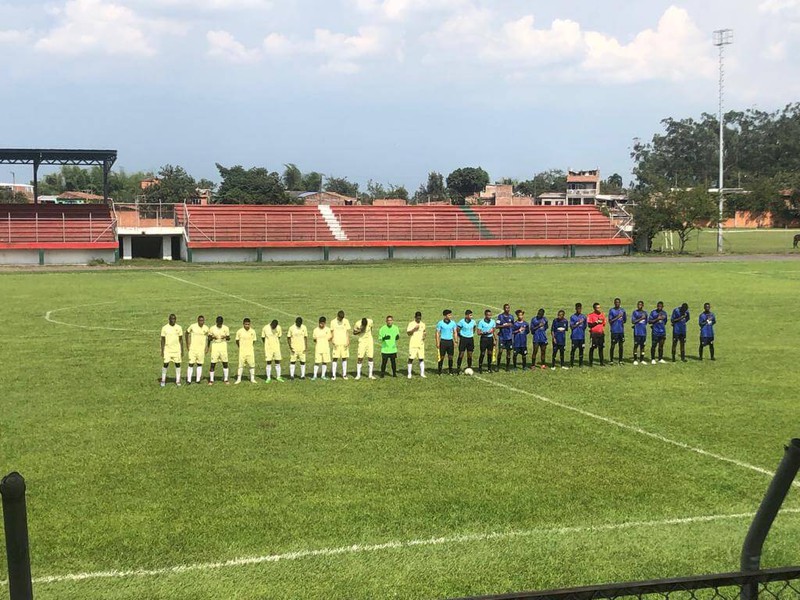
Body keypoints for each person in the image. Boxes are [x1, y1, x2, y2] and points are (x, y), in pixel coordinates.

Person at [160, 313, 184, 387]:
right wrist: (162, 350)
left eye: (174, 319)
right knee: (165, 364)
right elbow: (162, 340)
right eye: (172, 319)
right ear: (169, 319)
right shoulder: (165, 328)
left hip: (176, 350)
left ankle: (178, 380)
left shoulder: (179, 327)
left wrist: (182, 350)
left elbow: (181, 340)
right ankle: (163, 380)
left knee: (177, 364)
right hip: (167, 350)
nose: (173, 320)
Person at [184, 315, 208, 384]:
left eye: (202, 321)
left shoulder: (206, 328)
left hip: (201, 350)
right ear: (197, 321)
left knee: (199, 364)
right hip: (193, 349)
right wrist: (187, 344)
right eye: (200, 320)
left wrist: (207, 347)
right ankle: (189, 380)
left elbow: (209, 338)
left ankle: (198, 380)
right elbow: (186, 333)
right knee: (191, 364)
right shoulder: (193, 326)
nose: (201, 322)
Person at [208, 315, 231, 385]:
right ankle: (211, 380)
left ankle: (226, 379)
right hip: (215, 346)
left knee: (225, 362)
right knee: (213, 363)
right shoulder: (212, 328)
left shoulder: (226, 328)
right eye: (219, 323)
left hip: (223, 346)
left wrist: (225, 337)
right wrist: (212, 337)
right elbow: (209, 338)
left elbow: (228, 338)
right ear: (216, 322)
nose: (220, 324)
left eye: (221, 323)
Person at [235, 318, 257, 384]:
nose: (247, 326)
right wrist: (240, 347)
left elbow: (254, 341)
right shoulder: (239, 331)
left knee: (252, 365)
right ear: (243, 324)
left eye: (248, 324)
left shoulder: (253, 331)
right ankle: (239, 379)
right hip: (242, 351)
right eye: (246, 324)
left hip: (250, 351)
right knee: (240, 365)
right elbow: (237, 340)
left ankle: (252, 379)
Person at [436, 309, 458, 375]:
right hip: (443, 341)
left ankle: (450, 370)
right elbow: (437, 333)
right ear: (445, 316)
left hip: (450, 342)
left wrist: (456, 340)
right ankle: (439, 371)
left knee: (450, 356)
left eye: (451, 315)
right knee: (442, 357)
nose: (450, 316)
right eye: (449, 315)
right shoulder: (440, 323)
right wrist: (437, 342)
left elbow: (455, 332)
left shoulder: (453, 323)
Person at [331, 310, 351, 380]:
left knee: (344, 358)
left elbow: (347, 332)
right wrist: (333, 340)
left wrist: (348, 341)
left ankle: (344, 374)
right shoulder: (333, 322)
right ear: (337, 316)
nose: (341, 319)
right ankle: (333, 375)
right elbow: (332, 331)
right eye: (340, 318)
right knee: (335, 358)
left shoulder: (346, 321)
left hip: (344, 343)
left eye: (342, 318)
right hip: (336, 343)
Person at [406, 311, 426, 378]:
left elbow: (424, 331)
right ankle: (409, 374)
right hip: (413, 344)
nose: (418, 319)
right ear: (415, 317)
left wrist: (424, 335)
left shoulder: (423, 324)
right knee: (411, 358)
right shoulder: (411, 324)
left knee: (421, 358)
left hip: (421, 344)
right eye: (417, 318)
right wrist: (414, 329)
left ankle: (422, 373)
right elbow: (408, 333)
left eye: (419, 318)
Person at [495, 304, 514, 371]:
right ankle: (497, 366)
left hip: (509, 337)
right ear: (504, 309)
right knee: (500, 351)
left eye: (508, 308)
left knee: (509, 352)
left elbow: (512, 325)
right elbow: (497, 326)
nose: (507, 309)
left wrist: (511, 326)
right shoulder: (500, 316)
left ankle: (507, 367)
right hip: (502, 337)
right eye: (506, 308)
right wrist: (504, 325)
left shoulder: (511, 317)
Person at [608, 298, 627, 365]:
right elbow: (610, 321)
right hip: (614, 331)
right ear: (614, 303)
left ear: (620, 303)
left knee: (621, 346)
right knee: (613, 345)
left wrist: (621, 320)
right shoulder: (612, 310)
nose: (617, 303)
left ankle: (620, 360)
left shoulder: (623, 310)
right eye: (616, 302)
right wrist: (618, 317)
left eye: (618, 302)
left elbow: (624, 320)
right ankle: (611, 360)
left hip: (621, 331)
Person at [587, 303, 606, 367]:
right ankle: (590, 363)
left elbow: (604, 324)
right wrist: (596, 322)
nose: (598, 309)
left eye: (599, 307)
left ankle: (601, 362)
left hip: (601, 334)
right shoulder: (591, 315)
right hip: (593, 334)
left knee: (601, 348)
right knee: (592, 348)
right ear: (594, 308)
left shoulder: (602, 315)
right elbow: (589, 325)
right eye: (597, 308)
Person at [569, 303, 587, 367]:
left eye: (580, 308)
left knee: (581, 350)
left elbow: (585, 327)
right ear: (576, 308)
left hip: (581, 337)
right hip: (575, 337)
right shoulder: (572, 317)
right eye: (578, 308)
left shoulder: (584, 317)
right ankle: (571, 363)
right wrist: (579, 323)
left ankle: (580, 363)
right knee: (573, 349)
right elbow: (572, 327)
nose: (579, 310)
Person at [631, 301, 648, 365]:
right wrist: (641, 318)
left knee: (643, 346)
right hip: (637, 332)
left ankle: (642, 359)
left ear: (643, 305)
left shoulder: (645, 313)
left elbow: (646, 322)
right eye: (638, 304)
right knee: (636, 345)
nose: (639, 306)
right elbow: (633, 321)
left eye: (640, 305)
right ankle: (635, 359)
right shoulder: (635, 312)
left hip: (643, 332)